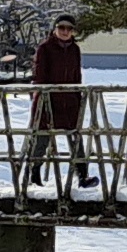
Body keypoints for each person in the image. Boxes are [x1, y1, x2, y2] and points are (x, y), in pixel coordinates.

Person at [23, 15, 95, 187]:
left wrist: (77, 96)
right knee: (41, 138)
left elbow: (77, 76)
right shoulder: (45, 48)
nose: (65, 31)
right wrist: (42, 95)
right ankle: (33, 175)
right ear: (55, 28)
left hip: (69, 101)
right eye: (61, 27)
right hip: (48, 100)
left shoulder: (74, 49)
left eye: (69, 28)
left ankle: (82, 175)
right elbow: (39, 75)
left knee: (75, 138)